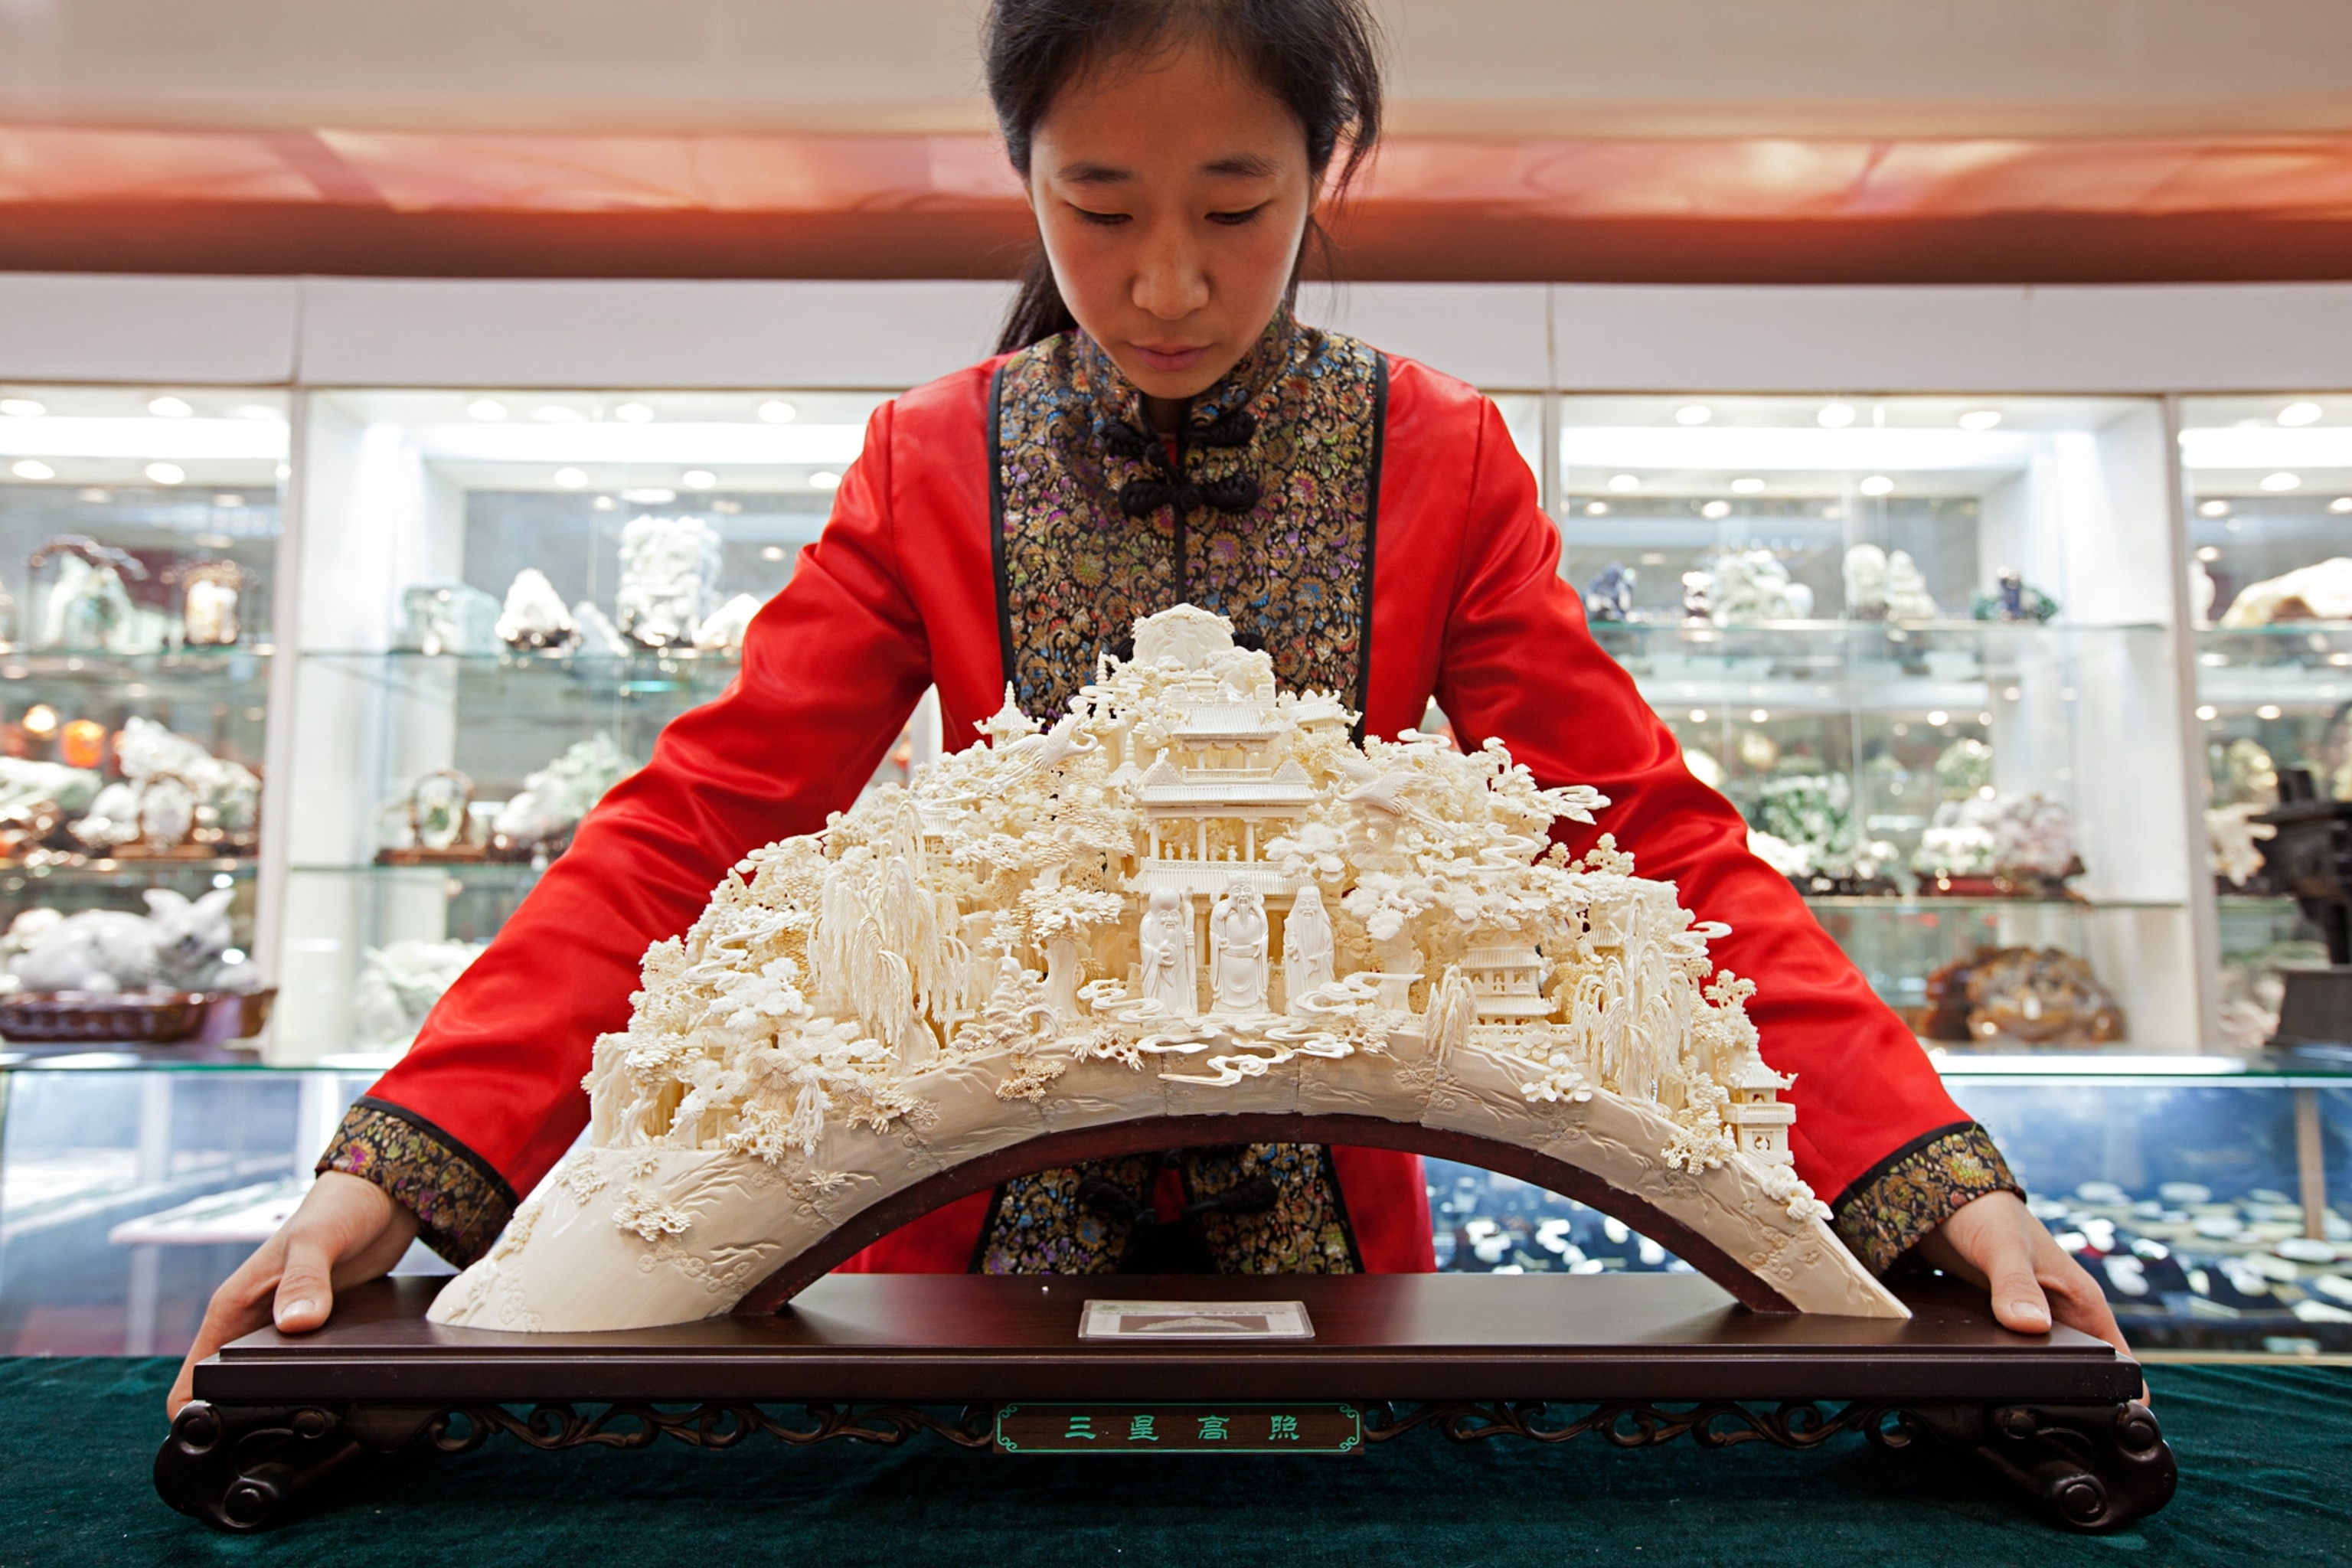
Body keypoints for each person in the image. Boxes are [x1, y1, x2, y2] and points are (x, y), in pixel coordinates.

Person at [172, 0, 2123, 1412]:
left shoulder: (1428, 452)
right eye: (1099, 207)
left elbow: (1642, 829)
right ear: (1016, 174)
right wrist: (393, 1167)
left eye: (1236, 204)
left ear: (1326, 175)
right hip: (949, 1264)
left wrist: (1927, 1176)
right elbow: (706, 816)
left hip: (1340, 1262)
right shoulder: (942, 456)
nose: (1168, 282)